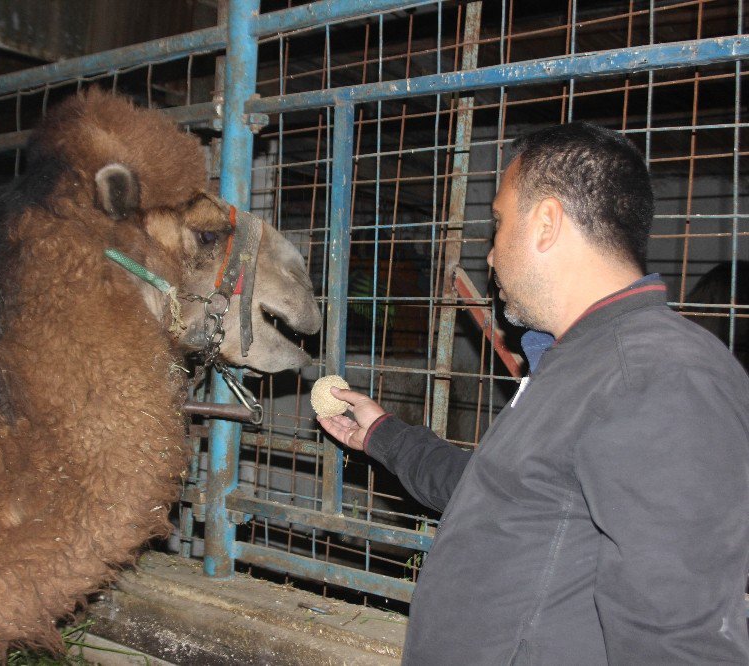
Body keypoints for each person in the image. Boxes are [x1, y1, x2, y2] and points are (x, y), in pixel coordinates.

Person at [320, 122, 749, 664]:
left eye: (498, 224)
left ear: (547, 222)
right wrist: (383, 437)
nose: (491, 255)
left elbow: (678, 640)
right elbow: (501, 496)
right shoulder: (578, 361)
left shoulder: (660, 375)